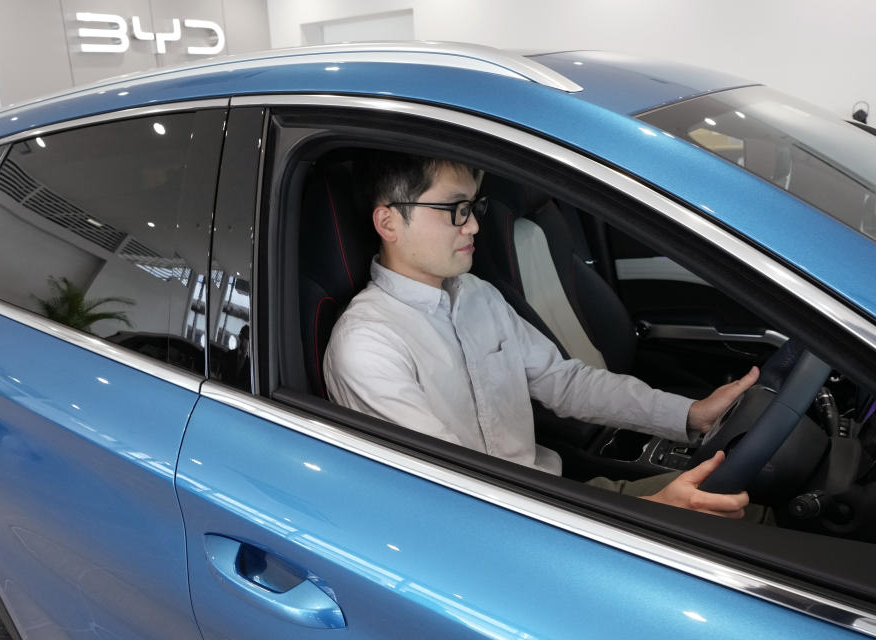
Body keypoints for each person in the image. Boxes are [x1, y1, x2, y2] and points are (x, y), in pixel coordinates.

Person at [324, 153, 760, 518]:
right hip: (513, 534)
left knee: (754, 500)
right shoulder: (369, 345)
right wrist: (653, 511)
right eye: (455, 210)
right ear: (389, 222)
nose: (474, 226)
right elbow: (456, 499)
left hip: (552, 497)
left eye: (475, 208)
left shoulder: (478, 295)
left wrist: (691, 414)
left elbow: (563, 381)